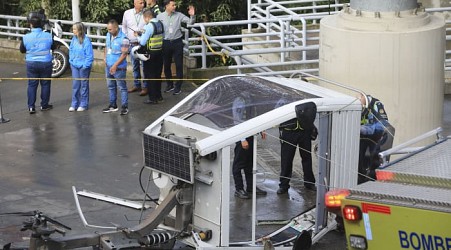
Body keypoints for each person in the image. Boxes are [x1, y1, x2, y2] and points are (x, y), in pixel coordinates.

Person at [231, 96, 267, 199]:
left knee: (250, 164)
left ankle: (251, 187)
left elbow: (255, 116)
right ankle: (239, 189)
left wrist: (261, 129)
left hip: (251, 135)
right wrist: (242, 139)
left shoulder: (252, 98)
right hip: (242, 136)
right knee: (238, 165)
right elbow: (236, 119)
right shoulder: (239, 100)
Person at [19, 11, 55, 114]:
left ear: (31, 24)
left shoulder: (26, 37)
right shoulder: (48, 35)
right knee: (45, 84)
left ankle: (31, 107)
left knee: (32, 85)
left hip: (31, 63)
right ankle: (44, 105)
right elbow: (53, 47)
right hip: (45, 63)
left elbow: (22, 50)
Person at [157, 0, 195, 95]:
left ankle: (178, 86)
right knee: (166, 65)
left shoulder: (179, 15)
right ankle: (169, 84)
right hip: (165, 42)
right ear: (167, 6)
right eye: (173, 5)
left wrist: (192, 15)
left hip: (177, 42)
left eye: (175, 5)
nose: (175, 7)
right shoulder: (160, 16)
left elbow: (190, 22)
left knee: (179, 65)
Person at [277, 118, 317, 194]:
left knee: (307, 158)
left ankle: (309, 183)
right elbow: (278, 107)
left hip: (305, 130)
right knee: (286, 159)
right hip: (288, 131)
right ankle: (283, 185)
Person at [134, 9, 164, 104]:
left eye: (144, 18)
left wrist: (137, 36)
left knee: (150, 76)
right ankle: (159, 96)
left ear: (147, 17)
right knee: (158, 75)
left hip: (150, 54)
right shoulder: (160, 24)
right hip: (160, 52)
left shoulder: (149, 26)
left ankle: (152, 98)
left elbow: (142, 42)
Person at [358, 93, 389, 183]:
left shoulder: (376, 105)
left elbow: (383, 124)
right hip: (364, 137)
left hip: (377, 136)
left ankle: (373, 178)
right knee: (359, 158)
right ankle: (361, 179)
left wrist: (366, 129)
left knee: (375, 157)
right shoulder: (360, 108)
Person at [103, 19, 130, 115]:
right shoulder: (108, 35)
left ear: (116, 28)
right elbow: (106, 47)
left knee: (122, 87)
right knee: (110, 86)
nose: (108, 31)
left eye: (110, 29)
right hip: (108, 66)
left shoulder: (124, 39)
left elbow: (124, 54)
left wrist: (115, 65)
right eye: (108, 29)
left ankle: (124, 107)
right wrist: (105, 58)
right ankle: (113, 105)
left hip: (119, 68)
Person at [122, 0, 147, 96]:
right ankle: (137, 84)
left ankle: (145, 86)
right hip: (131, 43)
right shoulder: (127, 13)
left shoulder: (146, 13)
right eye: (140, 3)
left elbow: (149, 26)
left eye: (143, 2)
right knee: (135, 66)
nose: (143, 4)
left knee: (145, 66)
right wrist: (125, 38)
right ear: (135, 3)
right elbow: (124, 26)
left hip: (142, 43)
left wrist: (141, 32)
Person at [68, 22, 94, 112]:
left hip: (83, 67)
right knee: (75, 85)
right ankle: (74, 103)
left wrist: (85, 66)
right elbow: (71, 50)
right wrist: (71, 60)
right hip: (74, 65)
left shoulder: (86, 41)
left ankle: (83, 104)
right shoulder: (73, 39)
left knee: (84, 85)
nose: (73, 31)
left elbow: (89, 55)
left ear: (80, 30)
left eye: (75, 29)